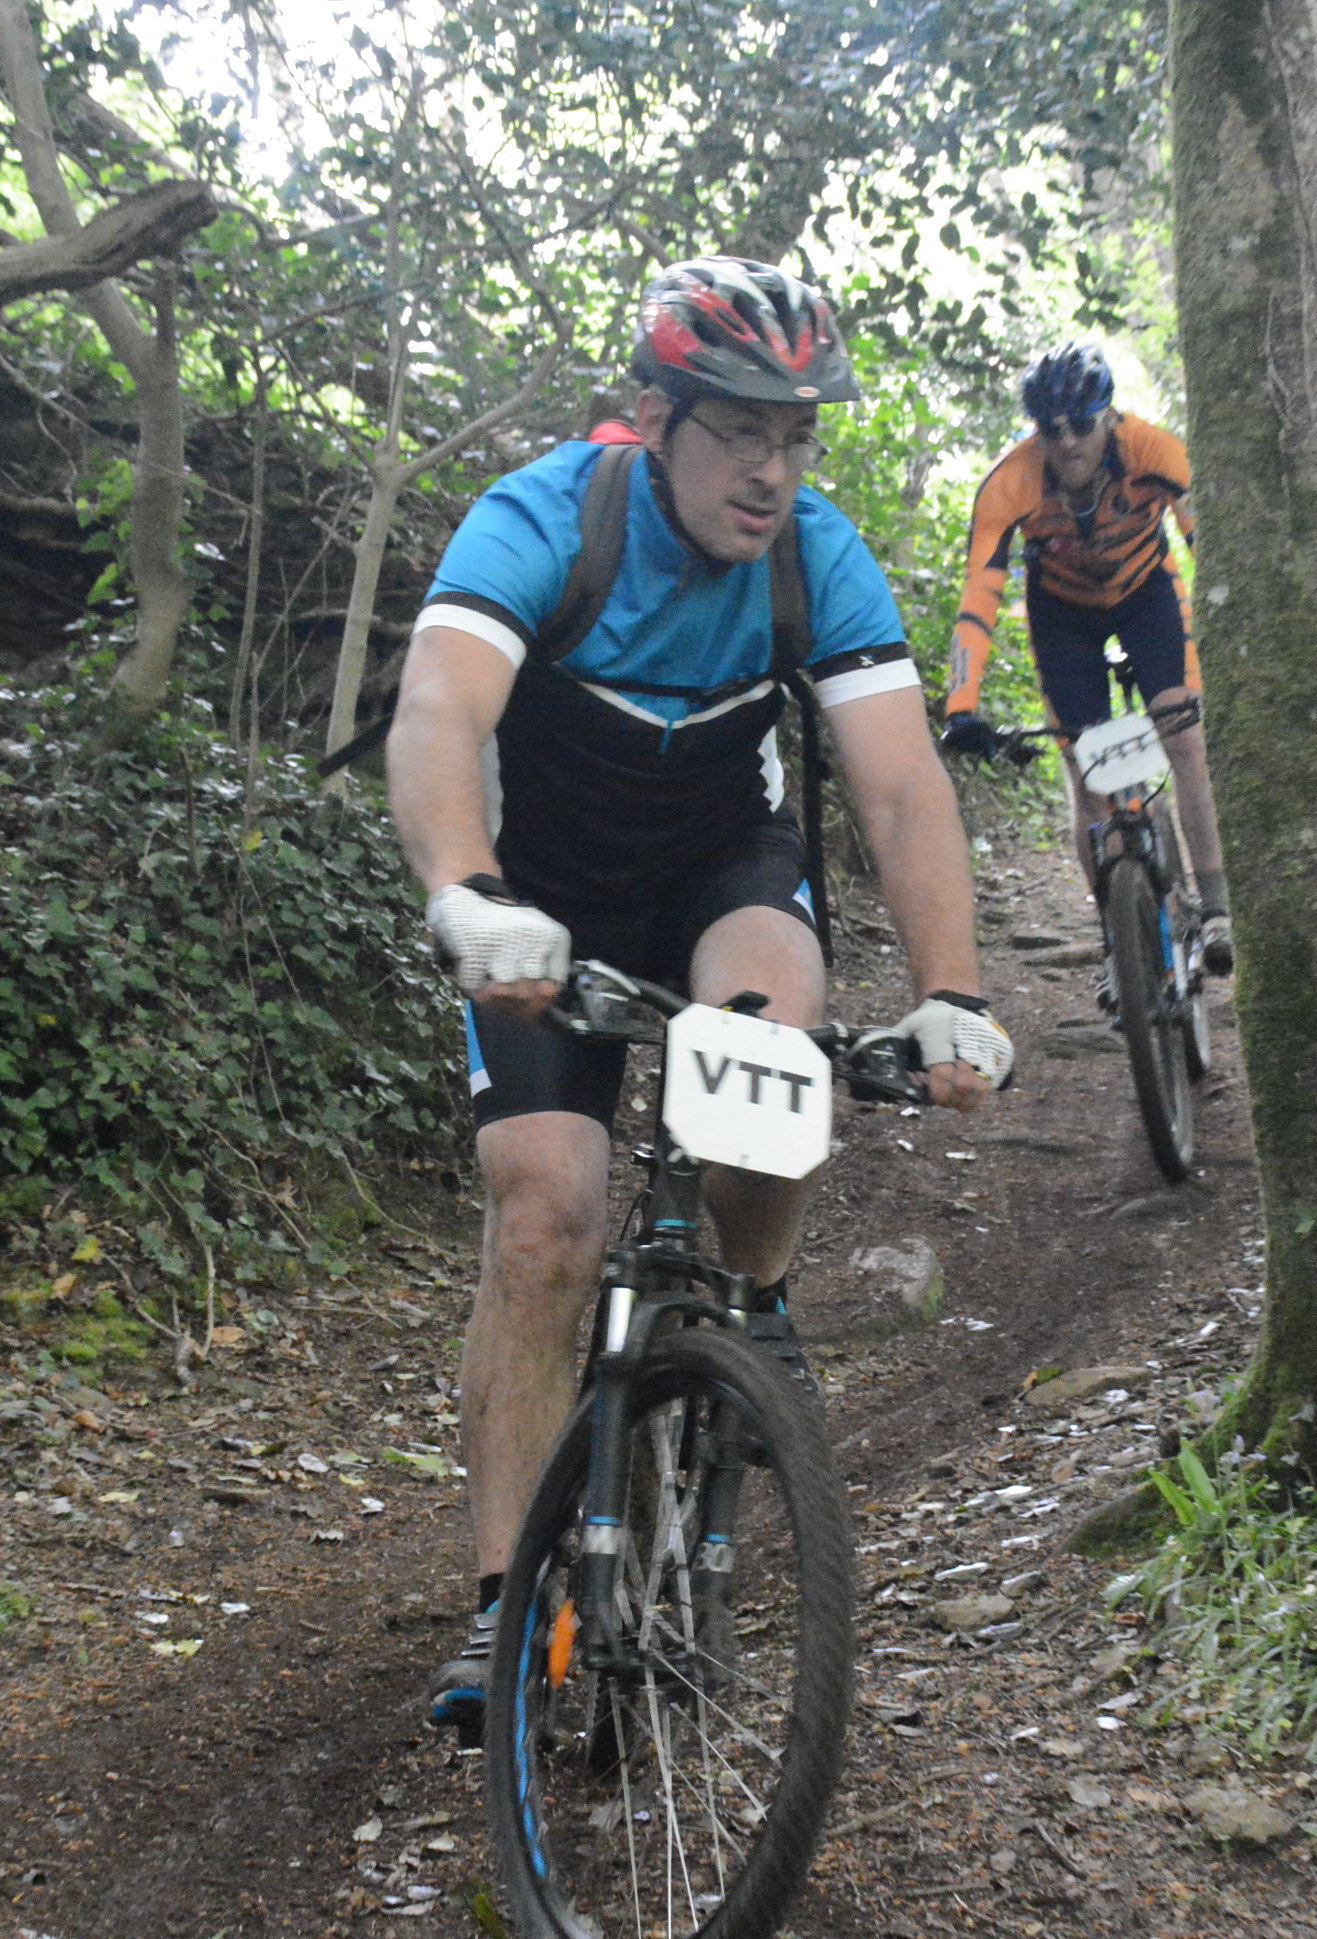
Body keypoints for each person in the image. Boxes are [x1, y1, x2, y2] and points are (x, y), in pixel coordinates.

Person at [385, 256, 1015, 1741]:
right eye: (739, 433)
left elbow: (899, 785)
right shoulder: (547, 517)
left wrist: (951, 991)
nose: (771, 471)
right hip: (542, 889)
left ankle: (759, 1300)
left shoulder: (816, 556)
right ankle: (507, 1605)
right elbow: (439, 710)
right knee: (544, 1216)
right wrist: (466, 892)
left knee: (767, 1065)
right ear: (656, 418)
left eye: (795, 437)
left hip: (723, 869)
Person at [938, 341, 1231, 976]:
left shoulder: (1154, 452)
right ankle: (1118, 942)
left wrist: (1236, 641)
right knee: (1087, 770)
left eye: (1081, 423)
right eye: (1051, 429)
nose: (1067, 441)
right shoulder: (1011, 483)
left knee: (1184, 738)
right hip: (1062, 612)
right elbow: (979, 598)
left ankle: (1215, 908)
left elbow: (1207, 543)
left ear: (1109, 416)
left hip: (1146, 592)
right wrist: (961, 707)